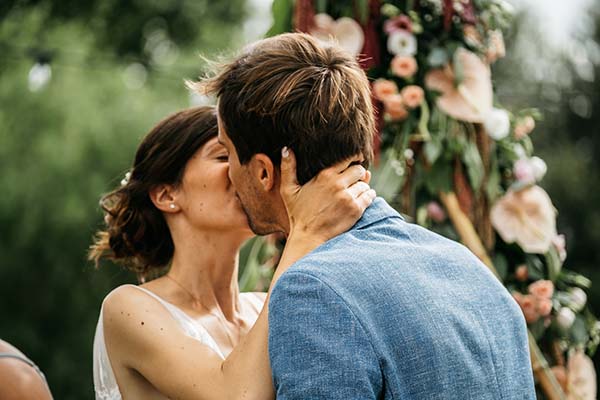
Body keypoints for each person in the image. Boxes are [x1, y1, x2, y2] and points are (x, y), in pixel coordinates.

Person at [196, 32, 537, 399]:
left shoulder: (312, 291)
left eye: (228, 153)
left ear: (264, 172)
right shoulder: (471, 270)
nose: (229, 173)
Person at [90, 105, 375, 399]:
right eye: (224, 156)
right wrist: (306, 232)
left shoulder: (267, 306)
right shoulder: (128, 309)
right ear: (167, 194)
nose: (244, 171)